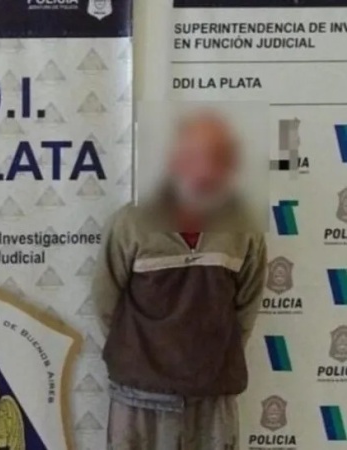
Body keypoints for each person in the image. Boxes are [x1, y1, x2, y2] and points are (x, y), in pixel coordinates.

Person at [93, 111, 267, 450]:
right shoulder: (129, 224)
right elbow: (106, 301)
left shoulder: (243, 228)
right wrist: (138, 355)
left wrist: (213, 357)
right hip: (138, 396)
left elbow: (247, 304)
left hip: (213, 397)